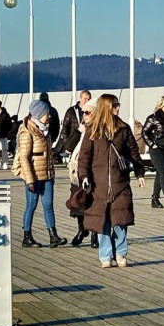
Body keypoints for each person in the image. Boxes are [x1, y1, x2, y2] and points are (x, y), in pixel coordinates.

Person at [78, 94, 146, 268]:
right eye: (115, 105)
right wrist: (84, 176)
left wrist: (140, 174)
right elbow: (84, 156)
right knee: (103, 221)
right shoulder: (93, 130)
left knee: (120, 219)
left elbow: (134, 152)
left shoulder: (123, 129)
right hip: (98, 184)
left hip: (120, 183)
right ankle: (106, 255)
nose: (118, 108)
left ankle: (121, 253)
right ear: (107, 107)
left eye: (118, 104)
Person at [16, 100, 63, 248]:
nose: (49, 117)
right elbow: (24, 157)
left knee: (48, 204)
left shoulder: (45, 131)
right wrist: (29, 180)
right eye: (46, 114)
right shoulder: (27, 132)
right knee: (31, 205)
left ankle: (53, 235)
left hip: (47, 174)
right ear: (39, 115)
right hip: (34, 175)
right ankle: (27, 236)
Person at [67, 100, 98, 248]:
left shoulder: (97, 130)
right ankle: (82, 230)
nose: (84, 115)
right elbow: (67, 146)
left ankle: (94, 234)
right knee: (78, 202)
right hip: (76, 171)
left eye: (87, 112)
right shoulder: (81, 130)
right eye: (83, 112)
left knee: (92, 204)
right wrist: (78, 131)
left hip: (92, 171)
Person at [60, 90, 92, 155]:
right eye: (85, 99)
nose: (87, 101)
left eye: (89, 99)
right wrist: (68, 144)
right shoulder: (71, 111)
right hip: (73, 142)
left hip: (86, 143)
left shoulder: (92, 112)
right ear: (80, 98)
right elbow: (65, 128)